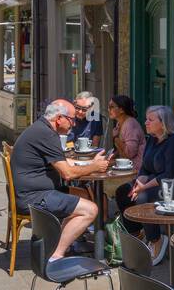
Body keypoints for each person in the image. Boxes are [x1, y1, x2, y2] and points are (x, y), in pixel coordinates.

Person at [10, 99, 112, 260]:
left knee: (85, 195)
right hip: (35, 197)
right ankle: (56, 255)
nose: (74, 125)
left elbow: (63, 163)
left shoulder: (42, 129)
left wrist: (92, 163)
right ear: (59, 118)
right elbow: (68, 174)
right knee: (90, 209)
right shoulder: (46, 134)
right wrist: (94, 167)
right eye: (71, 120)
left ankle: (63, 241)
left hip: (38, 191)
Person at [116, 106, 174, 264]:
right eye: (146, 119)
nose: (146, 122)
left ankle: (157, 240)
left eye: (150, 120)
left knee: (142, 198)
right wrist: (138, 183)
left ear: (163, 123)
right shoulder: (152, 139)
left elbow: (169, 175)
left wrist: (143, 188)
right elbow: (145, 167)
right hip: (155, 182)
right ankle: (137, 234)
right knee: (124, 192)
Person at [108, 94, 146, 174]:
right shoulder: (119, 124)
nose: (109, 110)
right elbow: (123, 150)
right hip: (125, 167)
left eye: (112, 107)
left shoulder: (130, 124)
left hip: (135, 170)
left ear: (122, 110)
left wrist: (116, 138)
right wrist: (113, 155)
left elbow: (130, 154)